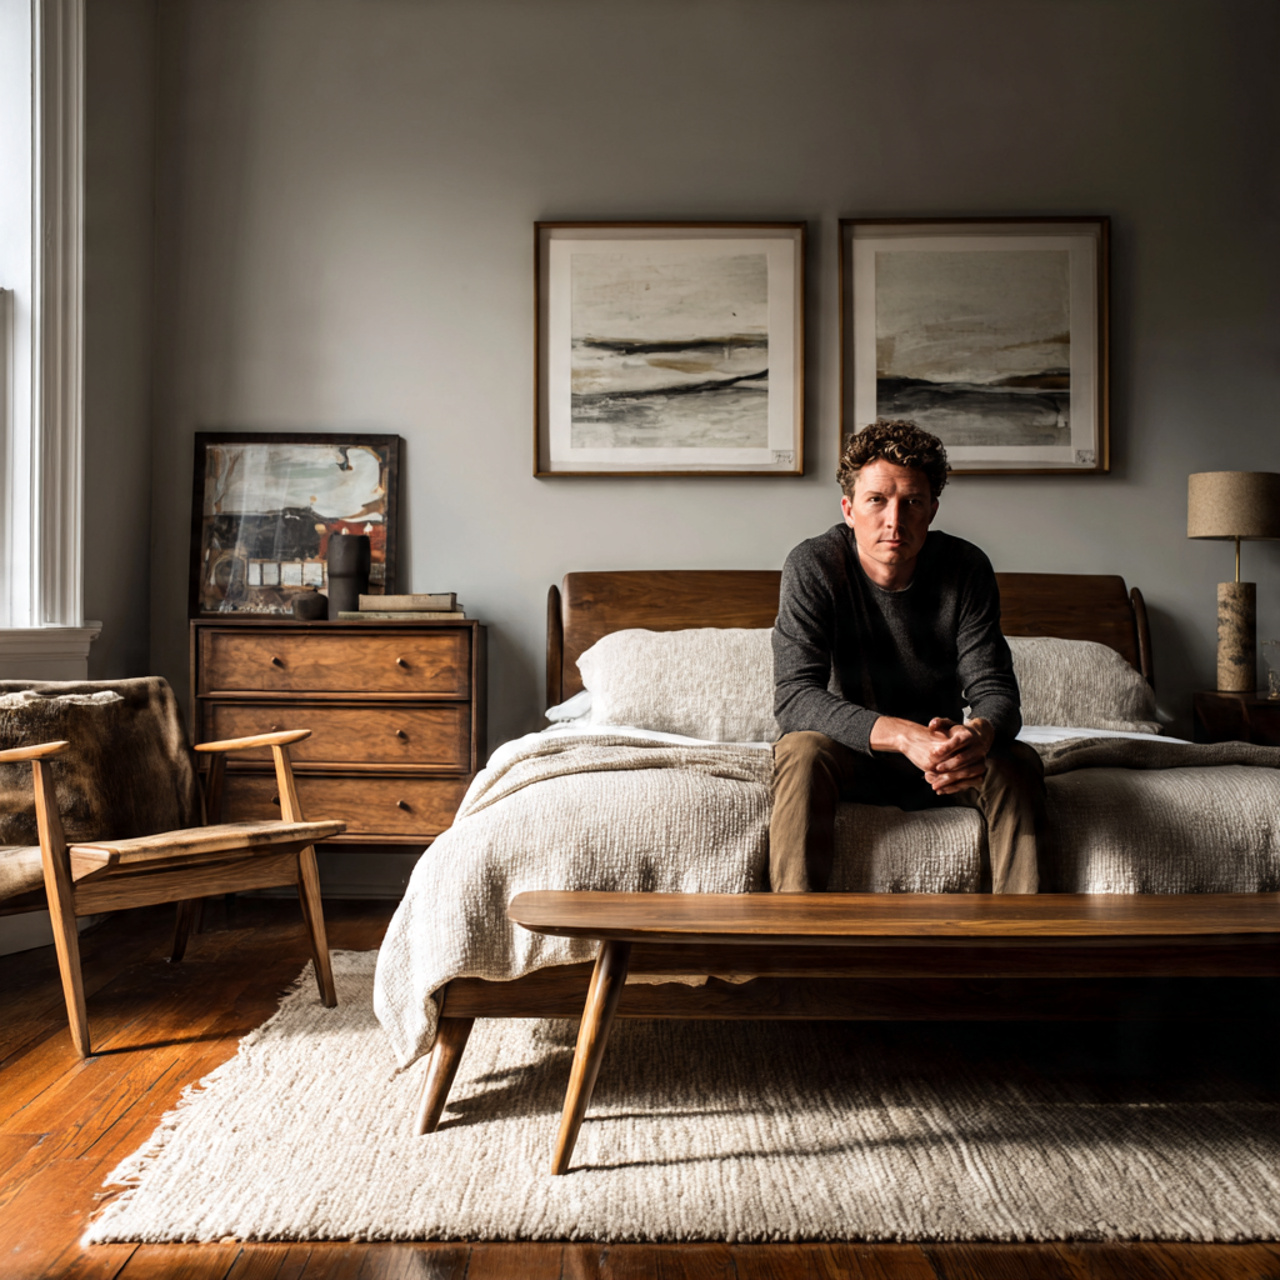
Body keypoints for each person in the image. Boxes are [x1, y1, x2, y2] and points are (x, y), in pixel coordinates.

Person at [770, 419, 1044, 895]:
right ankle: (794, 950)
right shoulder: (813, 564)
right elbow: (795, 697)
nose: (894, 520)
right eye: (877, 500)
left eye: (912, 502)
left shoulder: (965, 567)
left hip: (943, 759)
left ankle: (1027, 950)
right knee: (801, 750)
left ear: (932, 510)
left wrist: (974, 736)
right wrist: (901, 735)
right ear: (849, 508)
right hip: (851, 751)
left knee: (1015, 762)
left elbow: (995, 690)